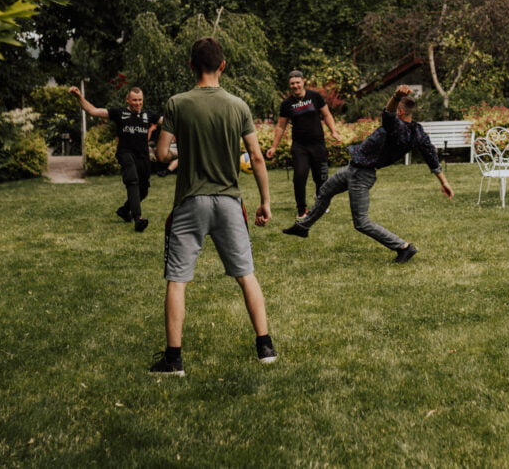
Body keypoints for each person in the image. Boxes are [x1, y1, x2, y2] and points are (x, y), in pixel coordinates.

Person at [149, 36, 276, 376]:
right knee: (246, 274)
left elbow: (161, 155)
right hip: (230, 202)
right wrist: (265, 201)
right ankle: (265, 347)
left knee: (177, 280)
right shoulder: (238, 106)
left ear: (191, 65)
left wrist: (180, 153)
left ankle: (174, 360)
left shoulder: (177, 104)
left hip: (190, 202)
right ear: (223, 66)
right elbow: (258, 157)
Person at [282, 84, 453, 263]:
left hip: (361, 174)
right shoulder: (417, 131)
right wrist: (444, 181)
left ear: (400, 112)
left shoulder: (395, 126)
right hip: (352, 169)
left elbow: (388, 114)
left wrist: (395, 97)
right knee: (325, 191)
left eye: (395, 107)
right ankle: (303, 227)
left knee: (361, 222)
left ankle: (404, 247)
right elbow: (430, 155)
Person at [70, 85, 160, 232]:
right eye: (134, 100)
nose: (137, 103)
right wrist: (79, 97)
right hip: (125, 153)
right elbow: (93, 111)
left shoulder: (148, 115)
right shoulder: (119, 113)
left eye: (140, 100)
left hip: (143, 156)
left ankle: (124, 211)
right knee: (132, 180)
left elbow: (167, 120)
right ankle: (138, 219)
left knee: (143, 190)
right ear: (128, 100)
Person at [265, 70, 342, 218]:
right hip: (300, 146)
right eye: (292, 83)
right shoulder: (287, 104)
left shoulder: (315, 97)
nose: (295, 86)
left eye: (297, 82)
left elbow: (326, 114)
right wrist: (274, 147)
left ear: (303, 82)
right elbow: (281, 126)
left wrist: (334, 131)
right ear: (289, 85)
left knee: (321, 177)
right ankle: (302, 210)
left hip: (318, 143)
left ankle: (320, 203)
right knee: (299, 176)